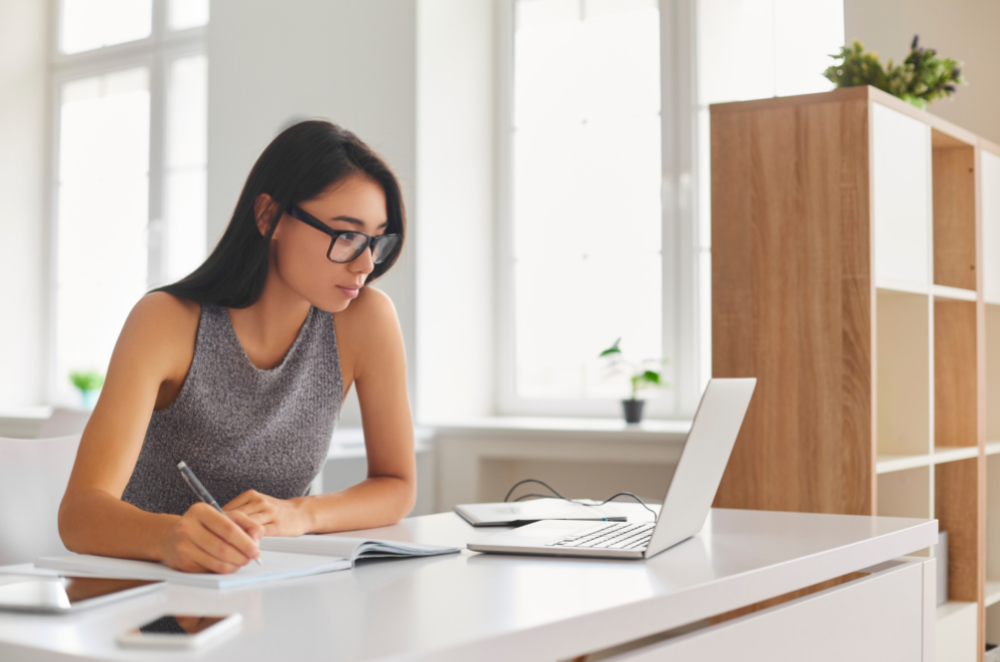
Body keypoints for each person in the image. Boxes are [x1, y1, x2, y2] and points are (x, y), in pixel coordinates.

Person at [58, 121, 415, 574]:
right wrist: (170, 537)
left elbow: (397, 484)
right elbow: (79, 515)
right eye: (345, 235)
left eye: (376, 240)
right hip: (147, 594)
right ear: (269, 216)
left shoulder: (366, 319)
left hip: (269, 590)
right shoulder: (166, 321)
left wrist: (301, 514)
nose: (365, 264)